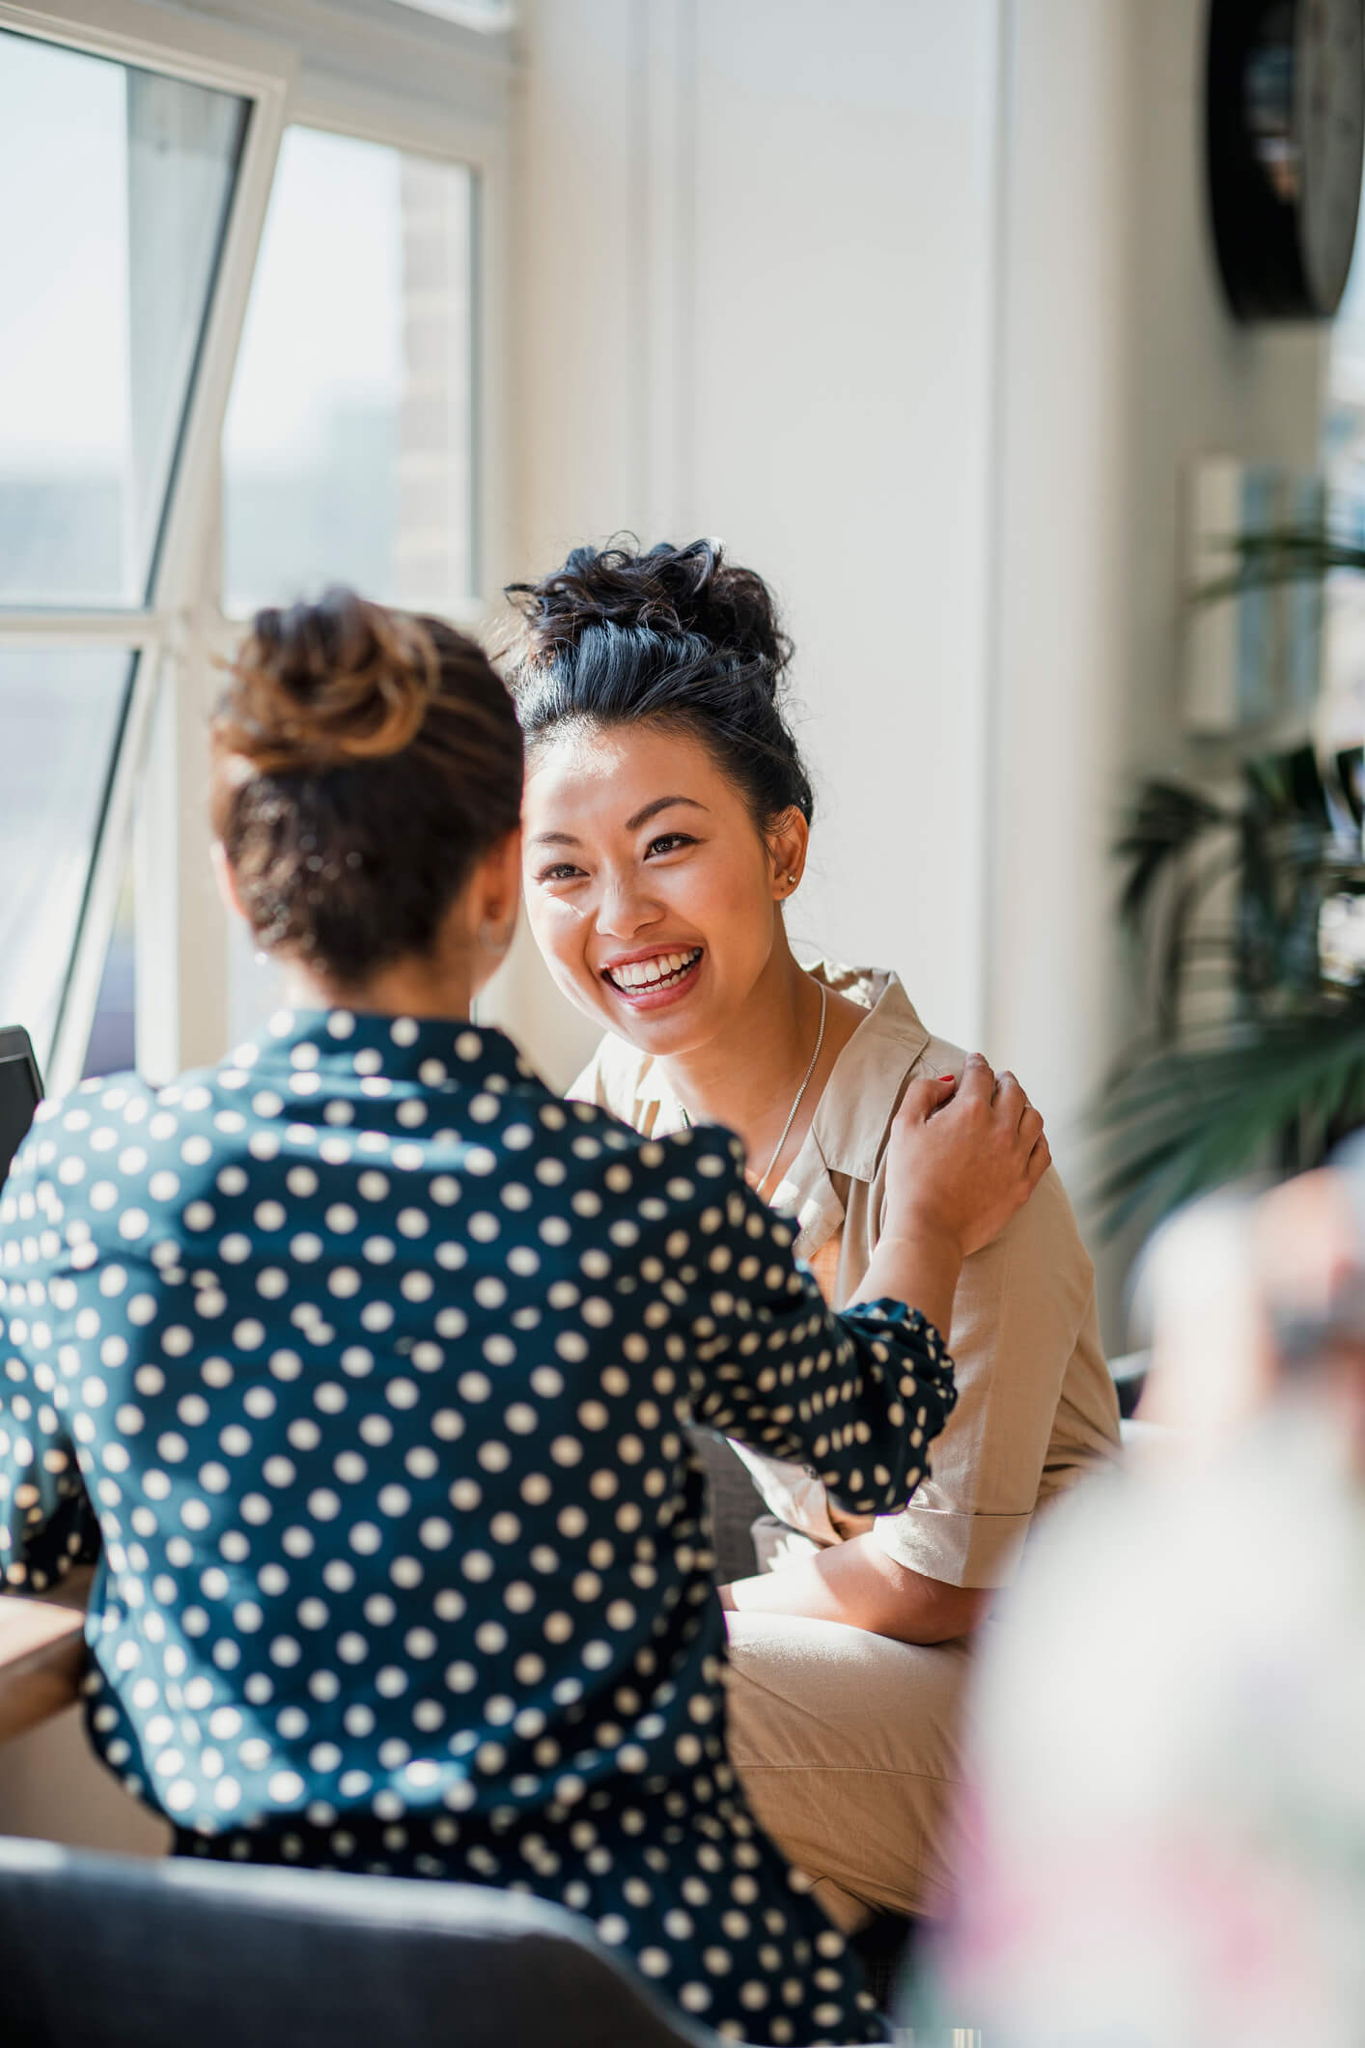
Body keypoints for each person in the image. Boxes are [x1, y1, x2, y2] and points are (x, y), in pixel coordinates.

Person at [0, 590, 1048, 2047]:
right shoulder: (642, 1201)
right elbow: (870, 1450)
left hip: (244, 1969)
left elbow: (35, 1541)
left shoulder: (82, 1174)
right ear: (507, 885)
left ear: (238, 890)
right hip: (642, 1972)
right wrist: (925, 1228)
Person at [506, 537, 1121, 1927]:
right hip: (845, 1669)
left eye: (668, 845)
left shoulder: (956, 1135)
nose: (621, 918)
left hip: (1048, 1707)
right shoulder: (618, 1106)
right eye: (564, 870)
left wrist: (698, 1616)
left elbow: (935, 1584)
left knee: (636, 1720)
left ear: (780, 848)